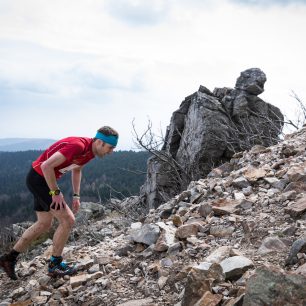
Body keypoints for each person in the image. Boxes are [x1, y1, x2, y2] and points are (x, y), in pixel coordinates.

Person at [0, 126, 118, 280]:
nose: (111, 152)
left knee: (44, 224)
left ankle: (8, 259)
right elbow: (46, 166)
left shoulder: (90, 151)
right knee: (68, 220)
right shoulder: (78, 146)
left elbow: (77, 170)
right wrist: (55, 193)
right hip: (39, 179)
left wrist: (76, 195)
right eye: (110, 147)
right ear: (100, 142)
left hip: (42, 179)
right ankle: (54, 265)